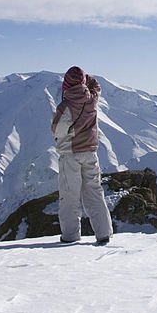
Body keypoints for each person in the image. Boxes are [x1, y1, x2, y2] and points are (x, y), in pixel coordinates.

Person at [51, 66, 113, 246]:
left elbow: (57, 130)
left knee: (69, 196)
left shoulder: (66, 106)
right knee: (94, 192)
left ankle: (70, 236)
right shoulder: (92, 100)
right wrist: (86, 78)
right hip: (90, 152)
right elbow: (96, 86)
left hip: (71, 154)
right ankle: (103, 233)